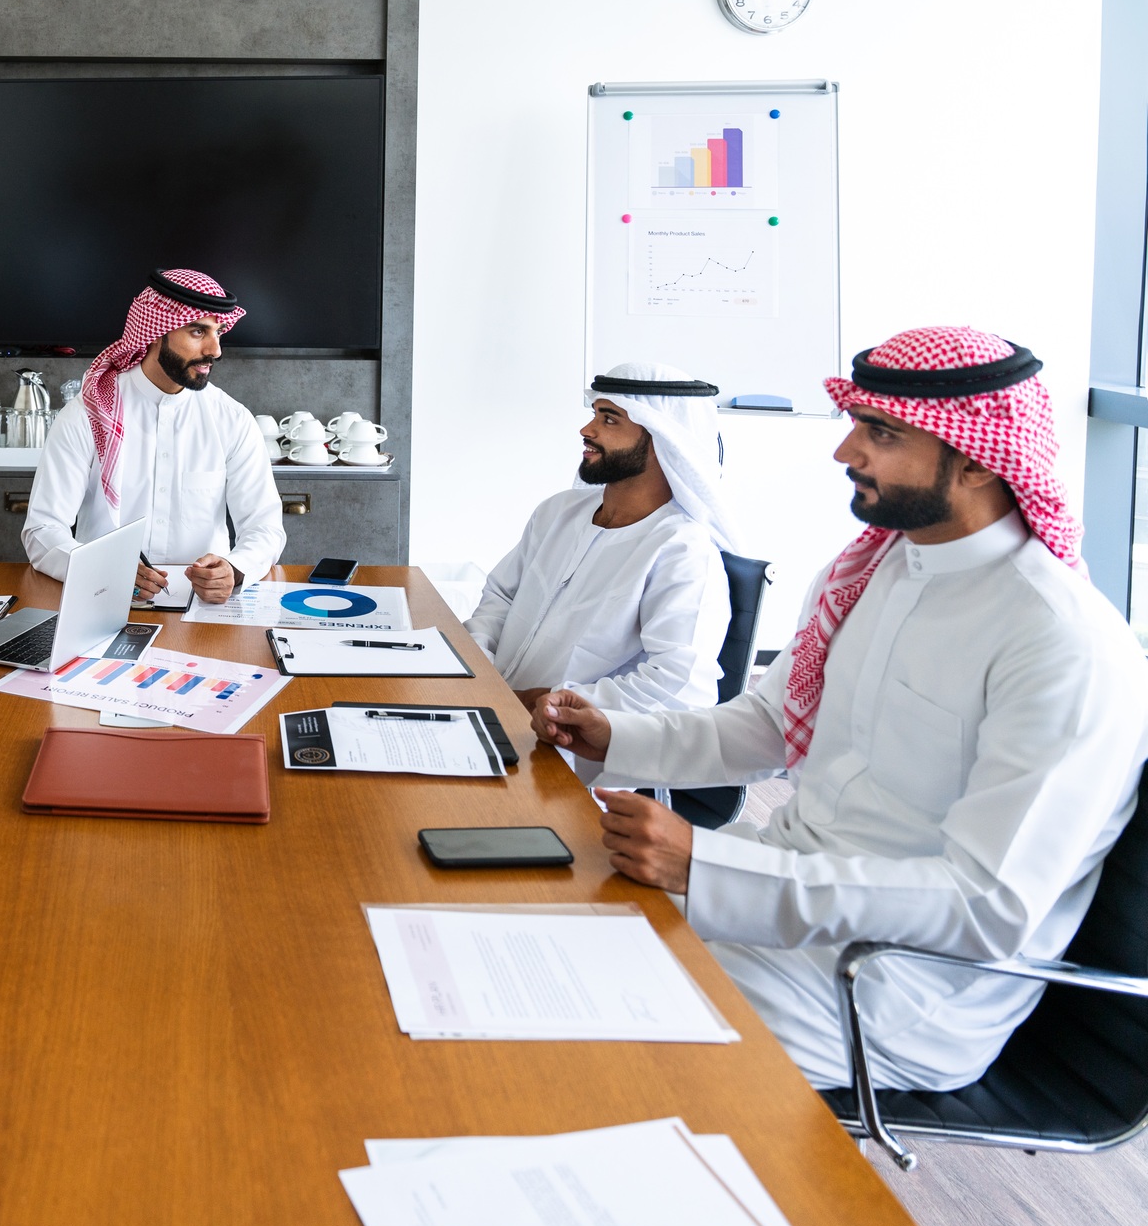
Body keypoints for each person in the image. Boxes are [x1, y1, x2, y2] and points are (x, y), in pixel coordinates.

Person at [534, 327, 1148, 1092]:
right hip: (770, 901)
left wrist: (713, 865)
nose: (845, 451)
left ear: (979, 460)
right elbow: (767, 725)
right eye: (857, 425)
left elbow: (985, 906)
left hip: (887, 987)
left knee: (563, 1054)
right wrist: (613, 733)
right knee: (531, 949)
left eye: (881, 433)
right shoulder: (874, 570)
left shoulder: (1062, 645)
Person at [466, 364, 737, 719]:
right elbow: (500, 598)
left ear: (662, 439)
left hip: (578, 744)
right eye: (594, 414)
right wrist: (476, 669)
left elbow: (681, 685)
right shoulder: (559, 511)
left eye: (609, 420)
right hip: (490, 705)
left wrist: (548, 701)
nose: (586, 429)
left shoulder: (682, 550)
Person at [23, 269, 284, 605]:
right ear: (156, 332)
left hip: (202, 609)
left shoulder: (232, 420)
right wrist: (103, 568)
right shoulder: (88, 413)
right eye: (197, 332)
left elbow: (265, 528)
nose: (215, 350)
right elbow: (42, 531)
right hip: (102, 600)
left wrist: (235, 569)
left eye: (218, 332)